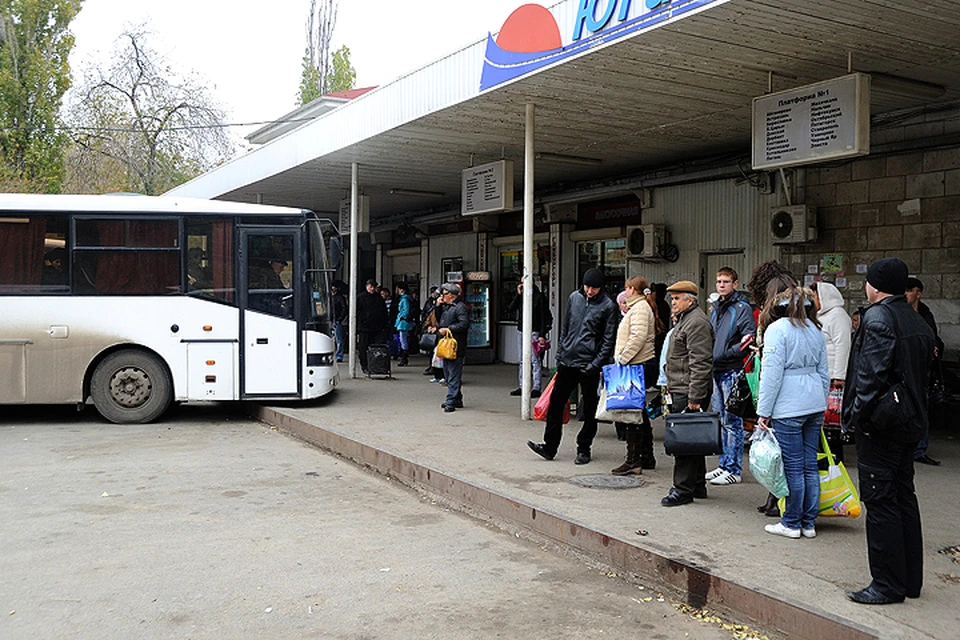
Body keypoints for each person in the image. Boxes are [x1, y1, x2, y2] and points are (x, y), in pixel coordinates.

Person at [842, 258, 935, 605]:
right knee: (903, 496)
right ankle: (910, 580)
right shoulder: (915, 317)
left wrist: (856, 417)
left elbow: (870, 376)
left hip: (882, 426)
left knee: (880, 501)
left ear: (876, 285)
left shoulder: (878, 317)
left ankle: (887, 584)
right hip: (908, 421)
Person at [755, 279, 830, 539]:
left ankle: (791, 522)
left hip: (788, 407)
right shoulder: (815, 329)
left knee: (793, 467)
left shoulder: (777, 330)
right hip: (814, 404)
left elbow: (771, 375)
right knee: (810, 465)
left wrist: (763, 412)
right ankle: (808, 523)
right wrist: (820, 400)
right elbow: (824, 373)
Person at [527, 268, 617, 465]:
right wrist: (559, 355)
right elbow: (566, 328)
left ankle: (584, 448)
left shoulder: (608, 306)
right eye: (587, 286)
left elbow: (608, 340)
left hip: (589, 364)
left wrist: (595, 364)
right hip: (568, 360)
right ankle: (549, 446)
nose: (590, 291)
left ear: (601, 288)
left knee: (589, 409)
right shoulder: (574, 298)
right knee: (555, 404)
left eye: (594, 288)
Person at [746, 260, 798, 518]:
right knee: (783, 451)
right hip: (796, 395)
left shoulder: (776, 323)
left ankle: (784, 504)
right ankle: (775, 498)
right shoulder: (804, 321)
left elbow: (775, 364)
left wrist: (764, 410)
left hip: (782, 394)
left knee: (782, 451)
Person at [660, 280, 714, 507]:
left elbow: (701, 363)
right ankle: (697, 484)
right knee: (694, 437)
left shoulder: (696, 322)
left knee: (683, 441)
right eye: (672, 298)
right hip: (681, 387)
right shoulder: (686, 320)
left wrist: (694, 398)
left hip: (688, 389)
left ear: (689, 300)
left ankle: (682, 489)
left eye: (677, 298)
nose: (673, 302)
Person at [706, 267, 756, 487]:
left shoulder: (741, 308)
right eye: (718, 281)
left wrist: (727, 353)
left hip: (732, 369)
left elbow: (748, 338)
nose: (722, 285)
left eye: (726, 281)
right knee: (720, 418)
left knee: (732, 421)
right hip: (716, 368)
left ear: (735, 284)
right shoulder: (715, 309)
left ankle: (734, 469)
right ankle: (724, 464)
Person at [609, 276, 661, 475]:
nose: (625, 292)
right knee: (638, 413)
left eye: (626, 288)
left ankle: (633, 460)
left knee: (631, 414)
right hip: (639, 364)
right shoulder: (641, 307)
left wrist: (622, 359)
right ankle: (645, 456)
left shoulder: (639, 309)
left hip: (635, 365)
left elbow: (637, 338)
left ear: (632, 289)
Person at [811, 281, 852, 462]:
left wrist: (839, 376)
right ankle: (825, 455)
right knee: (823, 419)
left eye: (815, 297)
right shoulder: (820, 316)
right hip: (821, 375)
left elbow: (843, 346)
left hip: (833, 376)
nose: (813, 301)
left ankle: (835, 457)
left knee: (832, 421)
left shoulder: (838, 316)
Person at [905, 276, 944, 466]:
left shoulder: (925, 314)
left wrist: (934, 346)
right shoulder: (899, 312)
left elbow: (934, 337)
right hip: (904, 368)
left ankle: (919, 449)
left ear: (917, 293)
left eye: (908, 290)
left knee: (921, 408)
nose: (905, 294)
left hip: (922, 370)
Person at [508, 281, 552, 398]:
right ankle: (523, 385)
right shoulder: (522, 296)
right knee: (522, 359)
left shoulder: (539, 297)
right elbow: (511, 308)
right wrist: (518, 295)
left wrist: (542, 334)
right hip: (522, 330)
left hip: (534, 330)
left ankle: (536, 387)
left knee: (534, 359)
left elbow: (544, 316)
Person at [430, 283, 470, 412]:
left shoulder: (460, 307)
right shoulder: (448, 307)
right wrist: (438, 305)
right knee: (448, 373)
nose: (442, 296)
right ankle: (457, 398)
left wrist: (448, 329)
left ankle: (450, 401)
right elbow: (438, 317)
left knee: (453, 374)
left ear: (452, 295)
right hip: (446, 343)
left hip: (455, 344)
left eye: (445, 294)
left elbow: (464, 324)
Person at [356, 279, 389, 375]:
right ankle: (365, 365)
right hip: (364, 328)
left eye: (374, 287)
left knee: (377, 347)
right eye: (371, 286)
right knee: (363, 348)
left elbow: (384, 313)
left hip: (377, 328)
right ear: (366, 286)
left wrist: (384, 326)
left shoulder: (379, 298)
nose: (372, 288)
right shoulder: (360, 298)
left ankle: (375, 365)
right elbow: (355, 312)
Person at [394, 282, 417, 367]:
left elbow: (405, 311)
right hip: (407, 322)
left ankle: (404, 358)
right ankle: (405, 357)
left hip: (403, 322)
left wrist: (401, 317)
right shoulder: (409, 298)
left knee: (403, 340)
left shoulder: (404, 299)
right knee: (404, 339)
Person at [331, 280, 348, 363]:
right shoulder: (329, 296)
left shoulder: (340, 297)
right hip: (331, 319)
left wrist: (340, 318)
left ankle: (339, 355)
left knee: (339, 339)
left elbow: (344, 309)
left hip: (337, 320)